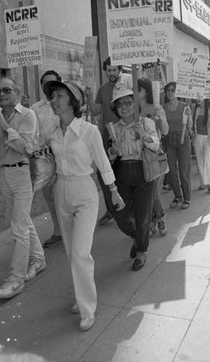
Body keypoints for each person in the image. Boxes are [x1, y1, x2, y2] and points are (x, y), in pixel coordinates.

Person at [43, 80, 124, 332]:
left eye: (58, 95)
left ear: (72, 101)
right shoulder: (53, 131)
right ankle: (81, 296)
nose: (53, 100)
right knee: (71, 253)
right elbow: (47, 159)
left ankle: (88, 308)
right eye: (52, 96)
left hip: (85, 192)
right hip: (61, 191)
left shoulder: (89, 131)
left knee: (80, 253)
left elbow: (102, 163)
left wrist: (114, 192)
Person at [0, 77, 45, 299]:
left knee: (18, 226)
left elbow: (27, 148)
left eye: (6, 90)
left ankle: (16, 279)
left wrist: (4, 126)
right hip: (5, 173)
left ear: (16, 92)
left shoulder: (27, 115)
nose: (1, 95)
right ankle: (38, 259)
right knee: (23, 220)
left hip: (22, 172)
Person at [108, 85, 159, 271]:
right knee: (120, 215)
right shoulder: (113, 128)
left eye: (128, 103)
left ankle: (141, 251)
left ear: (134, 104)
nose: (124, 107)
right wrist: (113, 149)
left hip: (144, 172)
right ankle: (138, 238)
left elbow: (156, 145)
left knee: (143, 217)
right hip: (122, 173)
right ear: (116, 108)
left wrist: (144, 135)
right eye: (120, 104)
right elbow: (110, 157)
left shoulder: (146, 123)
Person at [85, 57, 130, 226]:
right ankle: (111, 209)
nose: (111, 73)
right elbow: (96, 110)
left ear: (119, 70)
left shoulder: (126, 85)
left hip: (125, 134)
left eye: (114, 70)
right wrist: (89, 97)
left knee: (124, 171)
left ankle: (126, 207)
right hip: (107, 136)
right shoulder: (103, 89)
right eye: (108, 70)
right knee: (102, 172)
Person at [30, 70, 62, 248]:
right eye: (44, 83)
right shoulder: (35, 108)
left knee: (65, 195)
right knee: (50, 197)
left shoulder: (64, 104)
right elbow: (33, 133)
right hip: (44, 157)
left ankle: (71, 231)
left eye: (52, 82)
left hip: (64, 156)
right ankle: (58, 231)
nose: (48, 86)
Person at [137, 78, 169, 237]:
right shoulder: (132, 108)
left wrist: (160, 118)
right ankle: (152, 221)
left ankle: (160, 219)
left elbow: (165, 131)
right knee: (144, 190)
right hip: (136, 154)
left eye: (139, 89)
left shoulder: (156, 107)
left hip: (153, 153)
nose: (136, 92)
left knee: (152, 190)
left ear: (146, 91)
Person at [163, 82, 192, 209]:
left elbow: (190, 126)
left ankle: (187, 198)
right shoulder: (163, 108)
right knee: (171, 171)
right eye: (168, 90)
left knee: (183, 170)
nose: (170, 92)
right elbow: (162, 128)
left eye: (173, 90)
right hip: (169, 139)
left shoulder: (185, 106)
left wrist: (189, 115)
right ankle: (177, 196)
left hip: (183, 138)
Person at [192, 98, 210, 194]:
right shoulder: (195, 109)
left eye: (201, 97)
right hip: (197, 137)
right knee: (200, 160)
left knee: (207, 159)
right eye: (197, 97)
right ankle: (203, 182)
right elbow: (191, 123)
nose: (198, 99)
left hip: (209, 138)